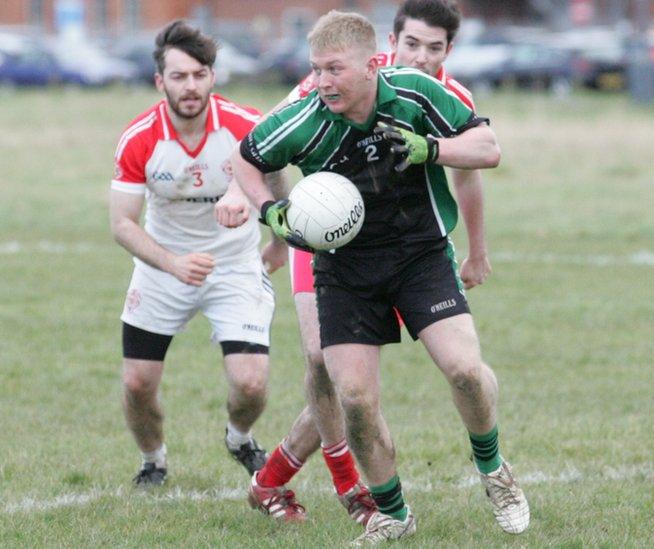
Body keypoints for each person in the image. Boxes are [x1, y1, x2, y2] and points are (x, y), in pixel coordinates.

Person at [216, 10, 529, 543]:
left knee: (465, 371)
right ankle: (393, 513)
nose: (322, 81)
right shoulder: (307, 114)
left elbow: (487, 150)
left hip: (420, 255)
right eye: (316, 70)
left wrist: (432, 149)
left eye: (334, 69)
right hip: (343, 268)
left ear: (370, 65)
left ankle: (495, 472)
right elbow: (245, 158)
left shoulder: (418, 94)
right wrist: (271, 212)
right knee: (354, 397)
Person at [109, 20, 275, 486]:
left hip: (236, 266)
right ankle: (153, 460)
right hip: (163, 266)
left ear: (213, 77)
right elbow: (121, 223)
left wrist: (261, 214)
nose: (190, 86)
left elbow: (276, 177)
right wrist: (172, 263)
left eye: (199, 74)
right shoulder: (140, 137)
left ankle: (240, 438)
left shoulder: (245, 126)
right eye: (179, 76)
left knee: (251, 383)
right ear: (160, 81)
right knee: (137, 383)